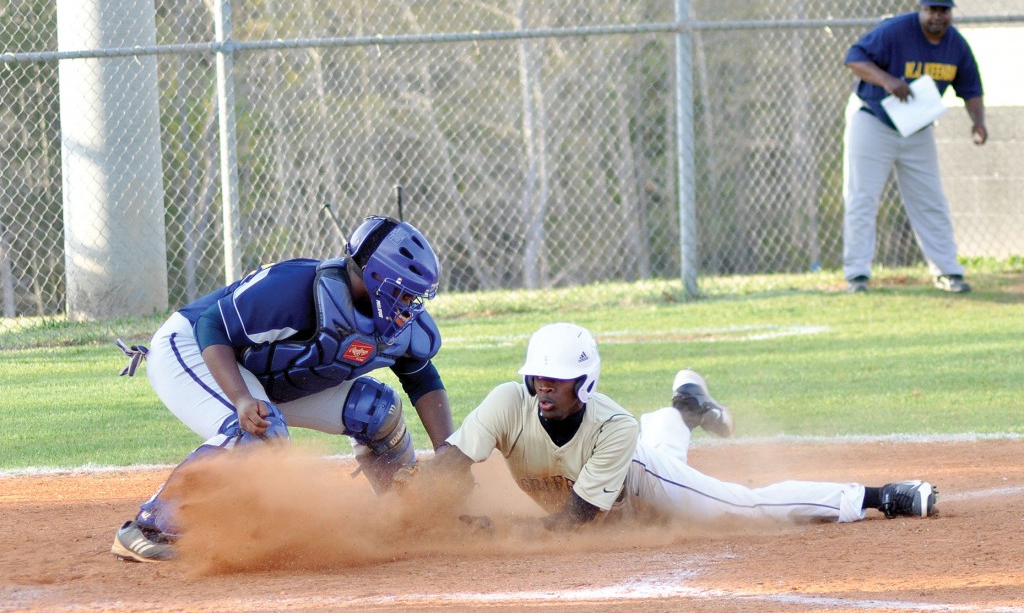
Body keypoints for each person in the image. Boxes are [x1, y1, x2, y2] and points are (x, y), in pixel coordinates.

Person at [111, 215, 453, 562]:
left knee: (376, 409)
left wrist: (447, 451)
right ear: (376, 276)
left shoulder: (402, 325)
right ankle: (150, 526)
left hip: (264, 374)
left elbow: (421, 377)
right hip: (193, 345)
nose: (411, 304)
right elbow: (212, 325)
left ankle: (406, 513)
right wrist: (241, 399)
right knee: (260, 433)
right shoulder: (294, 287)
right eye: (405, 292)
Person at [407, 323, 937, 533]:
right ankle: (685, 409)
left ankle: (877, 496)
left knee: (741, 508)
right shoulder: (507, 402)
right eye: (538, 378)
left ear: (584, 384)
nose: (544, 388)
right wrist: (407, 512)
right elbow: (451, 464)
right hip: (615, 497)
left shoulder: (614, 427)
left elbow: (574, 521)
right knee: (661, 474)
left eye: (558, 380)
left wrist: (498, 530)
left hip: (639, 480)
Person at [842, 0, 986, 294]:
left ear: (951, 13)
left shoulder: (956, 45)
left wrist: (978, 122)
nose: (938, 16)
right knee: (862, 198)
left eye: (944, 10)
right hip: (873, 120)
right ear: (920, 9)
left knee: (931, 200)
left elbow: (971, 88)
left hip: (917, 128)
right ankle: (857, 274)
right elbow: (853, 57)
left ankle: (948, 271)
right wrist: (886, 80)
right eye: (931, 9)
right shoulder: (895, 31)